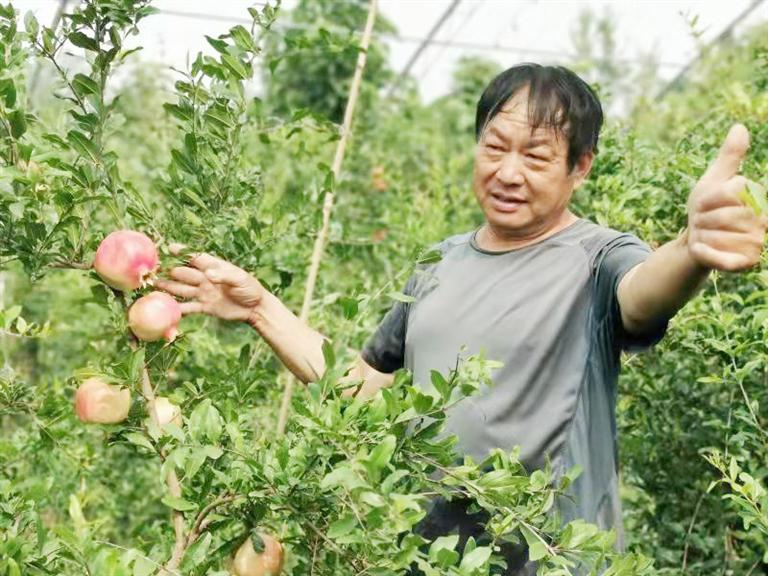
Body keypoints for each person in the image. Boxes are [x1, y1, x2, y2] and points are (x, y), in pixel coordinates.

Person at [155, 63, 767, 574]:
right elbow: (368, 394)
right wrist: (263, 308)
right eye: (495, 146)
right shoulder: (438, 264)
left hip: (546, 561)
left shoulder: (598, 258)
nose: (507, 171)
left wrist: (690, 249)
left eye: (536, 156)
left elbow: (642, 294)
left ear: (581, 167)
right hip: (428, 557)